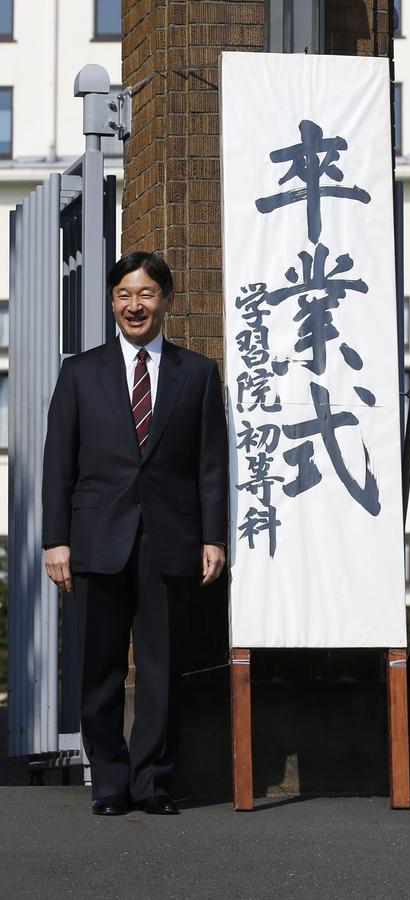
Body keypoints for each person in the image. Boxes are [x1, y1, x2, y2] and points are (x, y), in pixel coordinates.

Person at [42, 251, 228, 816]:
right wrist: (55, 540)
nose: (134, 305)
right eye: (124, 294)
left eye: (146, 294)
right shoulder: (80, 373)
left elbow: (211, 465)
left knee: (162, 668)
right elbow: (58, 463)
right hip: (95, 538)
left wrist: (213, 537)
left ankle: (152, 782)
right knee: (98, 667)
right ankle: (108, 781)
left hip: (171, 540)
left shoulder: (197, 373)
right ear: (112, 302)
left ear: (167, 301)